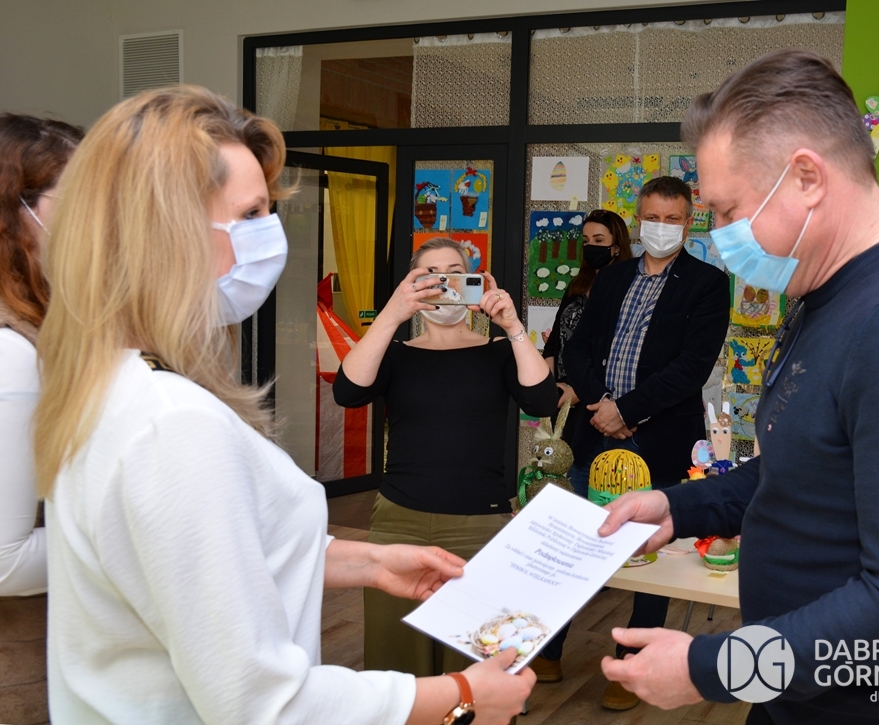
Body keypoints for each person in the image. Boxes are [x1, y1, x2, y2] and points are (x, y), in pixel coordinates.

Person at [35, 86, 533, 725]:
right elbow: (260, 702)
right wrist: (460, 695)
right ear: (169, 232)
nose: (269, 237)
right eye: (249, 215)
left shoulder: (115, 385)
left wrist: (368, 559)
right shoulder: (173, 425)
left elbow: (209, 562)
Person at [595, 50, 879, 725]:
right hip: (798, 695)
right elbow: (803, 469)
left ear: (807, 177)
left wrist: (712, 668)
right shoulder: (829, 297)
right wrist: (677, 507)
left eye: (728, 210)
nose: (719, 237)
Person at [333, 236, 557, 678]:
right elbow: (348, 392)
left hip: (481, 524)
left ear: (475, 281)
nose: (444, 283)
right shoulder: (395, 354)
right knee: (397, 663)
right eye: (430, 275)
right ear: (412, 286)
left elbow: (542, 401)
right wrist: (392, 314)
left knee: (477, 660)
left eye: (456, 273)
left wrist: (512, 326)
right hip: (398, 523)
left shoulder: (498, 351)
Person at [551, 175, 730, 710]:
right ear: (639, 216)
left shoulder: (707, 283)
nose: (661, 227)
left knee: (653, 557)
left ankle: (631, 668)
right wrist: (601, 404)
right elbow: (577, 348)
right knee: (579, 546)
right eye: (653, 217)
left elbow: (692, 367)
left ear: (689, 223)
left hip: (661, 439)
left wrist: (626, 411)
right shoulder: (612, 276)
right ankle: (548, 649)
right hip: (595, 432)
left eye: (673, 219)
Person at [0, 113, 82, 598]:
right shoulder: (12, 353)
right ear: (15, 216)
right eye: (76, 201)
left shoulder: (38, 328)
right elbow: (5, 562)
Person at [541, 208, 632, 439]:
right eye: (586, 241)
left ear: (617, 247)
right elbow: (553, 343)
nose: (591, 246)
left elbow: (616, 350)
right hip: (562, 399)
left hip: (600, 402)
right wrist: (550, 389)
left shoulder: (627, 289)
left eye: (599, 241)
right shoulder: (577, 286)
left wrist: (580, 391)